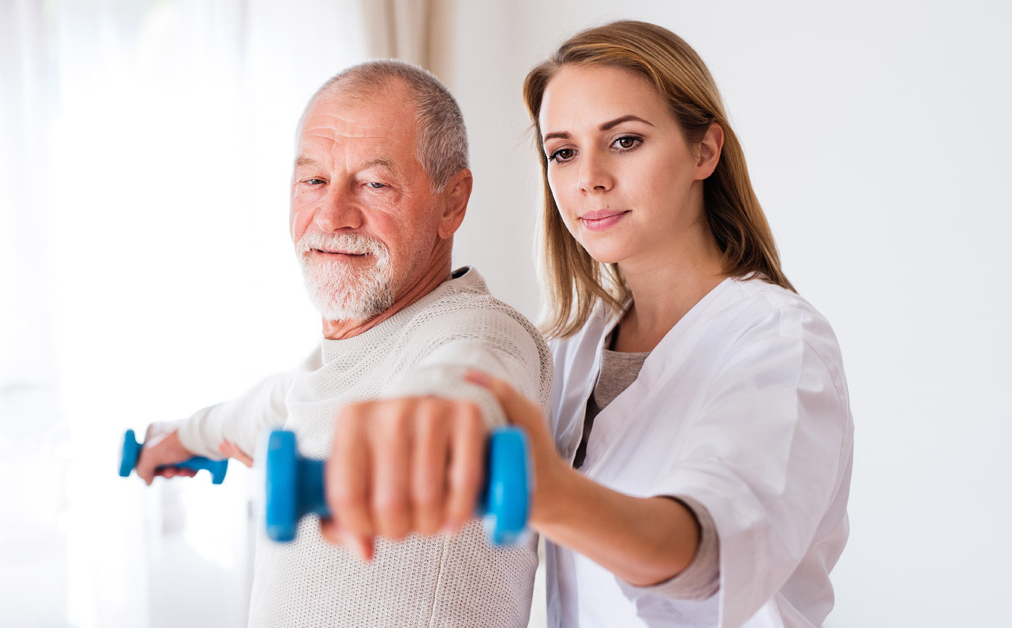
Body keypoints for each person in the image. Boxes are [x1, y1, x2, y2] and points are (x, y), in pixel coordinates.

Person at [326, 20, 855, 628]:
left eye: (625, 141)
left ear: (704, 151)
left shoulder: (777, 344)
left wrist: (547, 490)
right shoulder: (573, 346)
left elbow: (707, 553)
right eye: (563, 152)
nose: (589, 179)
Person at [134, 59, 551, 628]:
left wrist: (425, 428)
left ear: (452, 202)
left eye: (374, 184)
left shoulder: (478, 332)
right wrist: (179, 437)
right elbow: (255, 410)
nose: (331, 215)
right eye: (313, 181)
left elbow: (466, 384)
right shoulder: (321, 375)